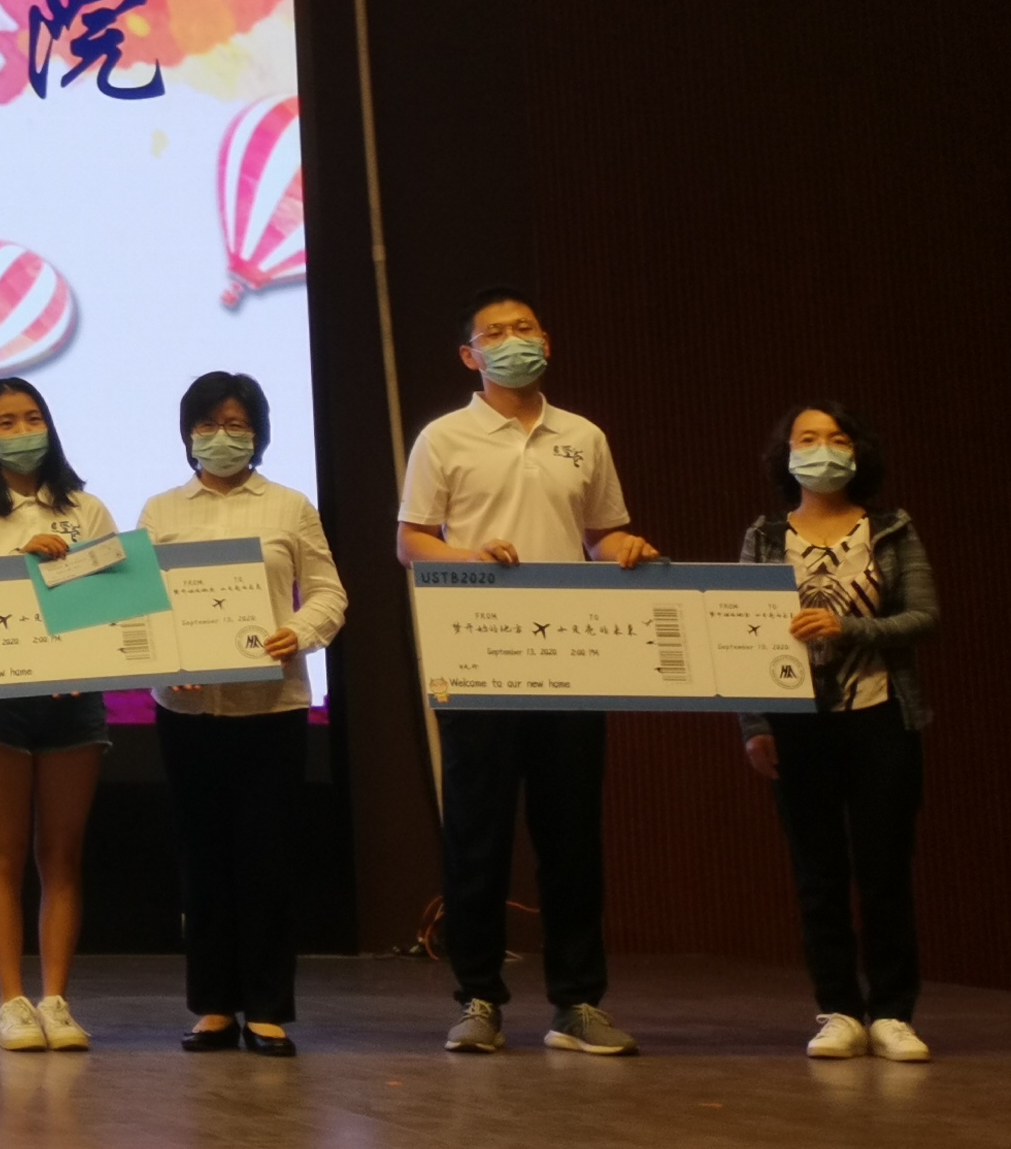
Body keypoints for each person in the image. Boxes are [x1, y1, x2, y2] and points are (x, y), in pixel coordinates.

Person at [397, 286, 662, 1057]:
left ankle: (577, 1003)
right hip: (479, 655)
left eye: (525, 327)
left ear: (546, 340)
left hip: (573, 659)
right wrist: (470, 556)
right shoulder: (444, 438)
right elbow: (412, 541)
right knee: (477, 835)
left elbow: (601, 533)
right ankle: (478, 997)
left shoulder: (583, 435)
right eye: (495, 332)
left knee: (571, 835)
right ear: (469, 355)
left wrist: (623, 547)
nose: (513, 340)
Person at [140, 371, 347, 1055]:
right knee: (201, 860)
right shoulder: (161, 511)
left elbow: (329, 593)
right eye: (207, 424)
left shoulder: (290, 506)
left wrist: (300, 631)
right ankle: (212, 1007)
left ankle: (266, 1007)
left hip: (271, 705)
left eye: (236, 424)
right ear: (188, 433)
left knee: (267, 857)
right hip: (186, 708)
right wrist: (168, 658)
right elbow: (140, 606)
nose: (221, 436)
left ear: (257, 432)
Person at [737, 401, 939, 1063]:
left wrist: (847, 627)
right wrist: (754, 724)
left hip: (882, 715)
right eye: (807, 438)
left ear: (857, 452)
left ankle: (893, 1013)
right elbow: (739, 633)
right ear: (786, 453)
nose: (822, 449)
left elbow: (924, 616)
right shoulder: (766, 536)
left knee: (885, 869)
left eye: (837, 438)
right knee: (817, 872)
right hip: (797, 724)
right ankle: (839, 1011)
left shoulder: (891, 528)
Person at [0, 378, 120, 1053]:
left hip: (75, 700)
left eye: (31, 417)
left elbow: (112, 603)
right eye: (5, 421)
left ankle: (56, 1000)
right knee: (5, 854)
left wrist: (81, 658)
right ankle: (11, 1001)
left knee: (62, 856)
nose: (21, 430)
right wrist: (20, 562)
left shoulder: (86, 509)